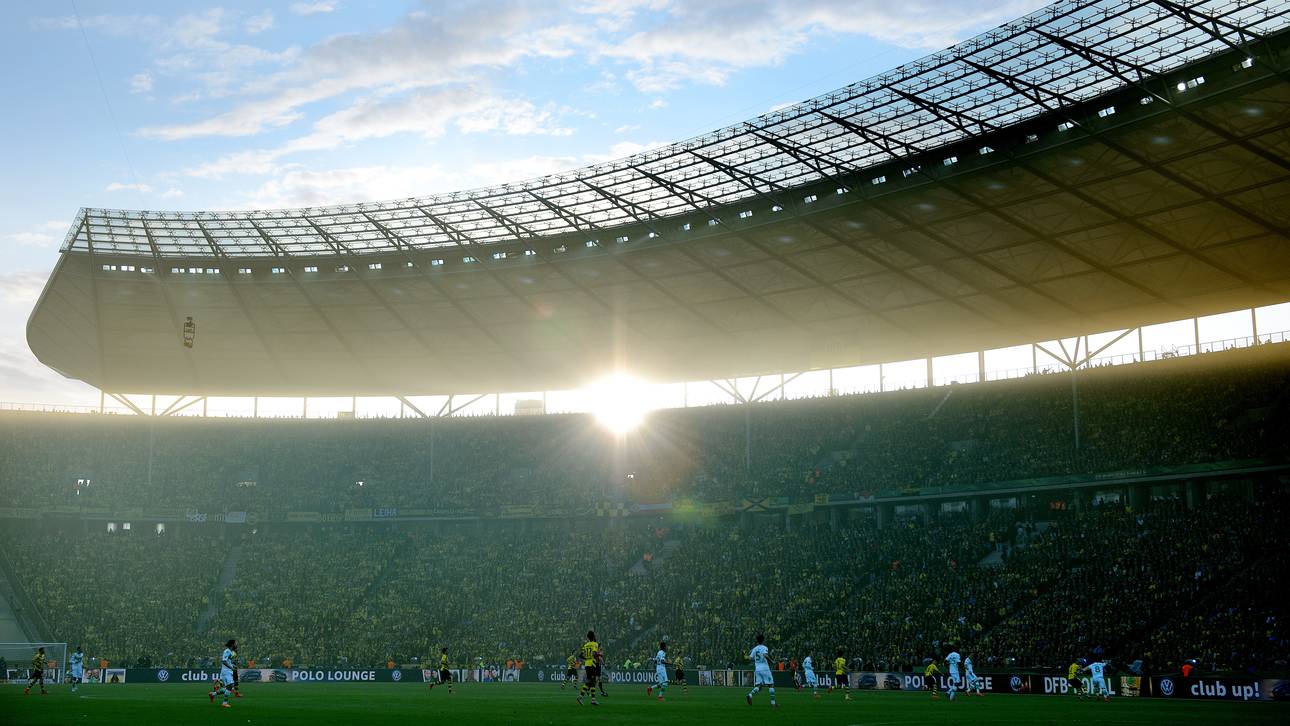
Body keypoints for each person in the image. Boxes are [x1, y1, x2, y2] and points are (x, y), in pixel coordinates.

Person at [745, 633, 777, 708]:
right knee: (771, 685)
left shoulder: (755, 649)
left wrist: (750, 653)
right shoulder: (764, 647)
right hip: (765, 668)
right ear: (763, 640)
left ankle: (750, 695)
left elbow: (749, 658)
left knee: (759, 686)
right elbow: (765, 655)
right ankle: (773, 704)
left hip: (757, 669)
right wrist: (772, 661)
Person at [576, 631, 600, 706]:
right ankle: (580, 697)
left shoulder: (586, 645)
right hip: (592, 664)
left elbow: (580, 655)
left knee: (592, 682)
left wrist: (586, 658)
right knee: (591, 681)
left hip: (587, 664)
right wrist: (598, 654)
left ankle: (593, 700)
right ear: (593, 636)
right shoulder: (595, 644)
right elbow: (594, 653)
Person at [210, 639, 236, 708]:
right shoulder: (227, 651)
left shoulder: (230, 651)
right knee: (230, 686)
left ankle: (213, 694)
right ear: (232, 644)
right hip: (226, 672)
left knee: (229, 687)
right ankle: (224, 703)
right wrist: (231, 667)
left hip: (227, 672)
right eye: (235, 644)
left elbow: (227, 661)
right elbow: (224, 661)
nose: (236, 645)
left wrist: (232, 665)